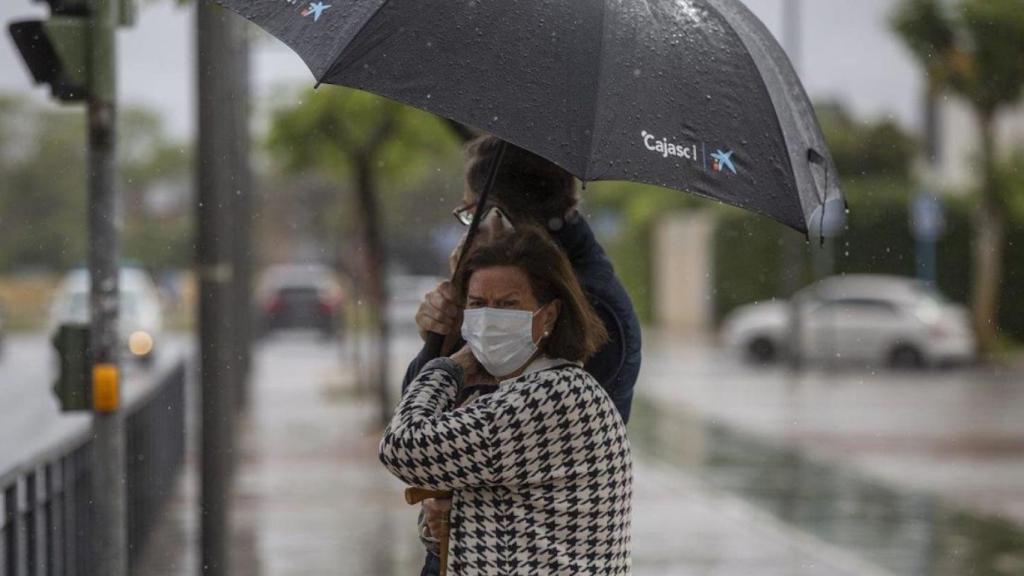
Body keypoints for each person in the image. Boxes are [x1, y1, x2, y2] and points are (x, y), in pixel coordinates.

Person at [402, 135, 642, 576]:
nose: (467, 226)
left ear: (498, 216)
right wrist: (442, 331)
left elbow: (422, 443)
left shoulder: (588, 308)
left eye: (470, 212)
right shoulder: (513, 287)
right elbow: (431, 426)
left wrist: (451, 354)